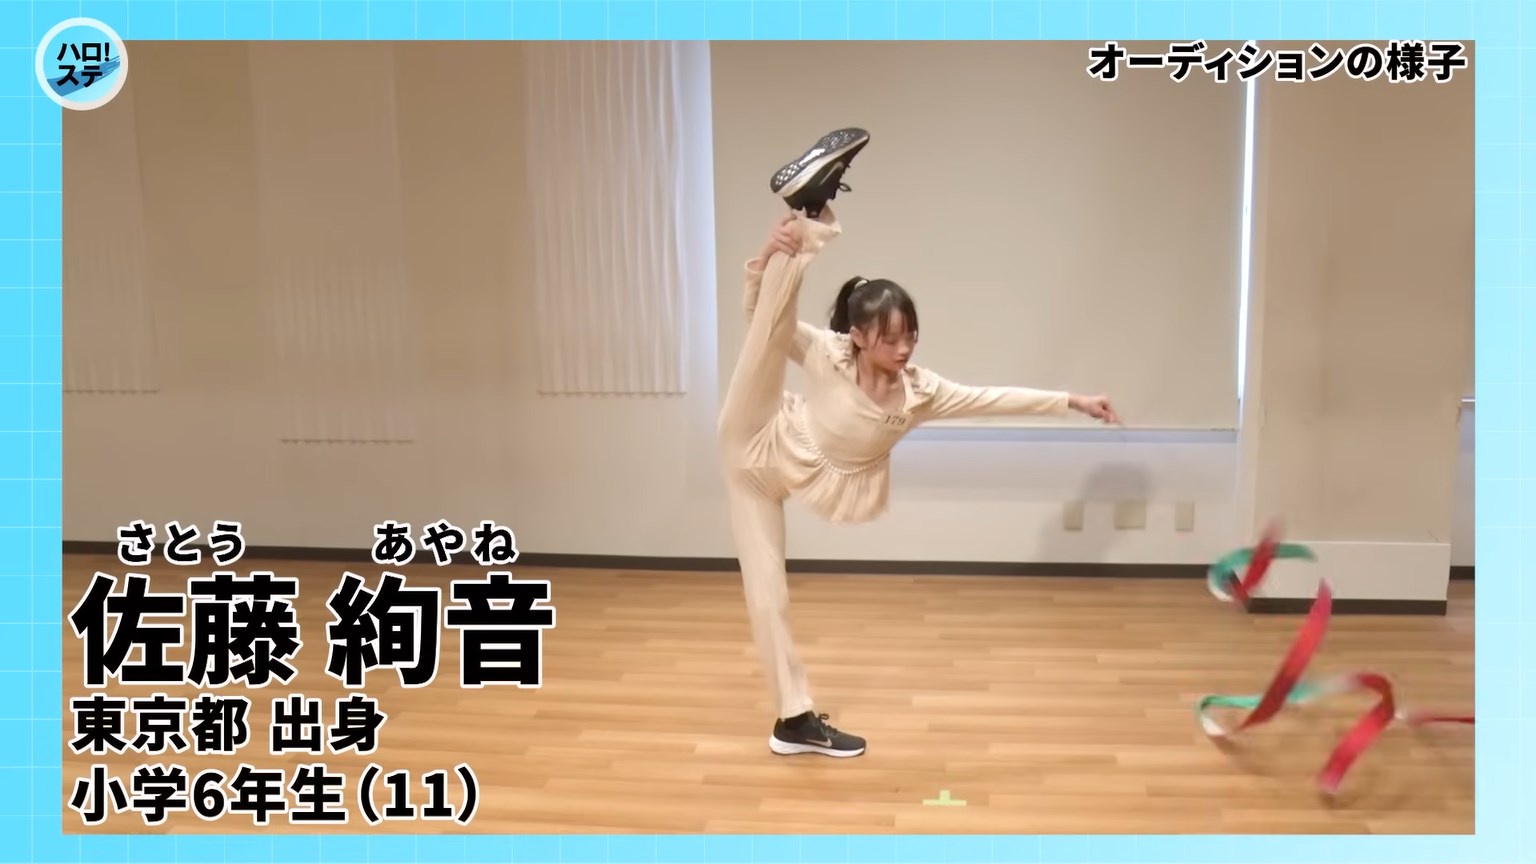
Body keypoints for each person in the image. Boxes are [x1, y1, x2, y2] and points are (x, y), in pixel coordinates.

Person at [719, 127, 1120, 758]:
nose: (903, 348)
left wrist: (1072, 401)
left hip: (761, 483)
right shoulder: (829, 354)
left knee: (770, 596)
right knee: (770, 330)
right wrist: (768, 256)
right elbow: (760, 319)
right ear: (858, 337)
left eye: (910, 335)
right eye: (889, 338)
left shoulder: (919, 394)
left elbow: (992, 398)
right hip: (756, 431)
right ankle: (809, 214)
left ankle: (792, 720)